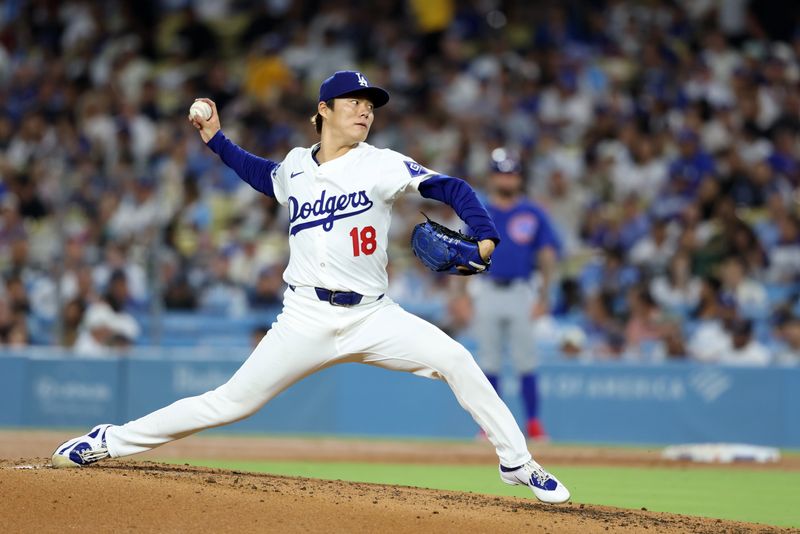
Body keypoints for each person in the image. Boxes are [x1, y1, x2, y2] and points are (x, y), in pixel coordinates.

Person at [51, 71, 569, 504]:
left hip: (373, 316)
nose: (365, 111)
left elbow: (451, 187)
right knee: (229, 403)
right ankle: (108, 441)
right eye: (354, 102)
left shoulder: (381, 163)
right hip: (304, 317)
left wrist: (486, 234)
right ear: (324, 109)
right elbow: (261, 174)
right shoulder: (298, 165)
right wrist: (214, 138)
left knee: (457, 360)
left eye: (370, 105)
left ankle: (517, 463)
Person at [468, 148, 561, 440]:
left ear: (519, 177)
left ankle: (533, 423)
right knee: (489, 362)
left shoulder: (532, 212)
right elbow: (463, 251)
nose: (506, 179)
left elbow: (547, 255)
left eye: (511, 173)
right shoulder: (479, 209)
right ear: (492, 176)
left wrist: (545, 296)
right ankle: (489, 426)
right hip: (487, 288)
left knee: (526, 360)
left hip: (522, 290)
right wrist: (458, 293)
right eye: (501, 173)